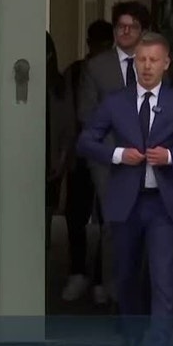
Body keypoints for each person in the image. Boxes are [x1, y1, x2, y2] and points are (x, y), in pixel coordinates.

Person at [77, 32, 173, 346]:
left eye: (154, 60)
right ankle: (131, 333)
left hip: (163, 206)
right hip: (126, 202)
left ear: (166, 63)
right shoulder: (116, 102)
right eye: (141, 60)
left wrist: (171, 157)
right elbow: (86, 141)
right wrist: (118, 154)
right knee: (126, 276)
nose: (147, 66)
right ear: (134, 62)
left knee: (163, 279)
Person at [76, 1, 152, 306]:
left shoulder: (154, 61)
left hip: (148, 157)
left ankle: (140, 293)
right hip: (110, 158)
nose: (126, 31)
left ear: (143, 31)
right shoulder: (97, 67)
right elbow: (86, 113)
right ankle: (115, 294)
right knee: (114, 224)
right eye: (121, 26)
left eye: (133, 26)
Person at [60, 19, 114, 303]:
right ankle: (80, 273)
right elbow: (68, 116)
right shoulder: (76, 73)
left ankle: (101, 277)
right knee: (76, 216)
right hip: (84, 152)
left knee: (107, 219)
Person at [45, 32, 75, 250]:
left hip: (51, 159)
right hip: (27, 155)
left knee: (45, 221)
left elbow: (68, 127)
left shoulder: (59, 85)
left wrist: (62, 160)